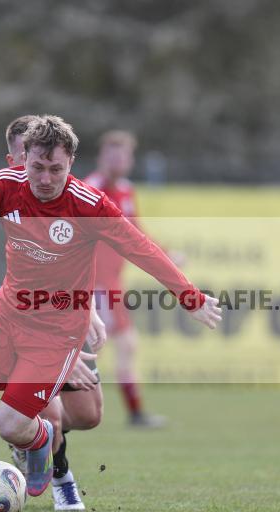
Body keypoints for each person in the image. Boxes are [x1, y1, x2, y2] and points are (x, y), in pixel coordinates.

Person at [0, 115, 222, 512]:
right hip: (5, 317)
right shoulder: (6, 187)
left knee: (13, 424)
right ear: (23, 159)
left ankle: (43, 436)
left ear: (71, 162)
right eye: (37, 167)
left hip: (56, 331)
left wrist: (190, 297)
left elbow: (143, 250)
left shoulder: (90, 206)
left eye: (56, 169)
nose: (45, 178)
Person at [0, 114, 105, 511]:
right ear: (14, 159)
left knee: (88, 415)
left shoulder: (62, 202)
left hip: (63, 315)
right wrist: (62, 361)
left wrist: (90, 312)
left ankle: (26, 438)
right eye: (21, 162)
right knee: (48, 411)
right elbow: (9, 299)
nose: (31, 173)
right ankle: (62, 476)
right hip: (12, 321)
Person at [85, 130, 167, 428]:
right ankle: (49, 410)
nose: (118, 160)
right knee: (92, 349)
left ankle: (133, 412)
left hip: (112, 284)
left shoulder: (126, 190)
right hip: (94, 284)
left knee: (119, 346)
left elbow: (136, 233)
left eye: (124, 155)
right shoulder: (92, 188)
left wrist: (165, 255)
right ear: (101, 157)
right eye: (112, 154)